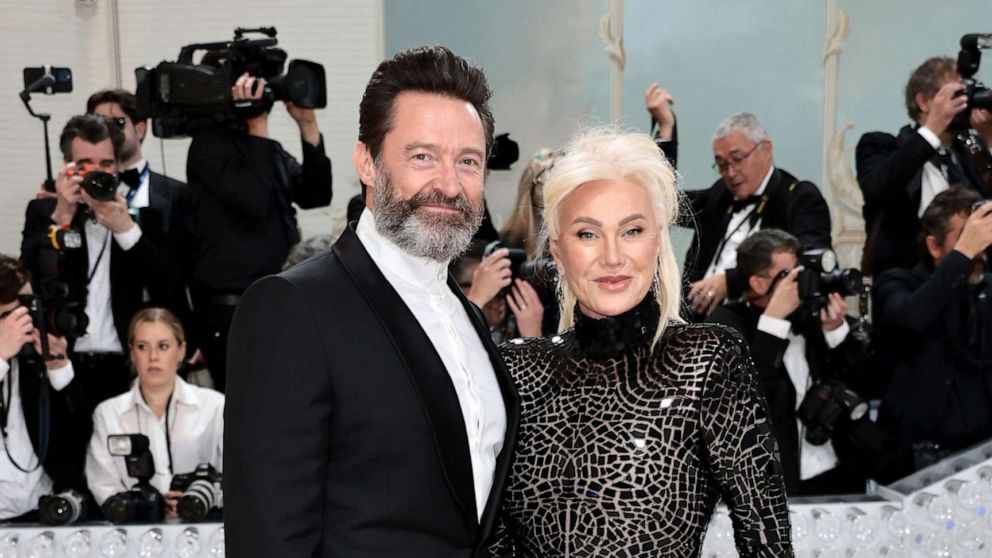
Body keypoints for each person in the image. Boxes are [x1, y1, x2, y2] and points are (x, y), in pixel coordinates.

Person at [224, 45, 519, 557]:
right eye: (422, 156)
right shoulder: (292, 309)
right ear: (367, 161)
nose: (448, 185)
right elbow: (266, 541)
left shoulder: (466, 314)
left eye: (467, 161)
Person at [493, 128, 792, 556]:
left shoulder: (706, 360)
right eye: (587, 234)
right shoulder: (518, 369)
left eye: (631, 230)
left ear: (657, 241)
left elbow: (766, 541)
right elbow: (491, 539)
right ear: (558, 251)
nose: (612, 256)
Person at [185, 70, 333, 392]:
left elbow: (316, 194)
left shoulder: (266, 149)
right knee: (248, 407)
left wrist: (306, 125)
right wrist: (257, 127)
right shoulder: (207, 147)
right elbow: (253, 201)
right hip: (232, 309)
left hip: (278, 296)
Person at [20, 115, 173, 424]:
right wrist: (62, 214)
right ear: (66, 166)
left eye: (105, 164)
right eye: (84, 164)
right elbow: (31, 276)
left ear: (117, 166)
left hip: (125, 366)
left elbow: (166, 286)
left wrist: (125, 229)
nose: (95, 173)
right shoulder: (42, 212)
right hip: (63, 359)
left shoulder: (142, 219)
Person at [707, 230, 870, 495]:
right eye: (789, 276)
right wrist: (773, 322)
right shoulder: (726, 324)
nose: (802, 282)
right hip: (778, 485)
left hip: (835, 470)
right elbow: (746, 400)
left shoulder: (808, 315)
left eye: (801, 272)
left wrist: (835, 329)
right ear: (759, 284)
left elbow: (854, 377)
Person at [649, 99, 832, 320]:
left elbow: (810, 264)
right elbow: (664, 203)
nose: (731, 172)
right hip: (694, 316)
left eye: (737, 159)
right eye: (722, 164)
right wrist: (666, 128)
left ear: (765, 149)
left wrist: (731, 281)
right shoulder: (720, 194)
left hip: (759, 322)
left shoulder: (798, 198)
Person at [875, 188, 992, 474]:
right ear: (934, 246)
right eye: (966, 237)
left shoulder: (987, 288)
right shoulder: (897, 283)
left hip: (983, 457)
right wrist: (963, 254)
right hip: (917, 462)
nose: (980, 250)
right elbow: (911, 318)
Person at [857, 56, 992, 278]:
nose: (963, 104)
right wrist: (933, 129)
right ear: (924, 102)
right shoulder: (882, 145)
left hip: (971, 280)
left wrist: (988, 139)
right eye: (955, 95)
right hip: (908, 283)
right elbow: (877, 188)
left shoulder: (970, 149)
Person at [85, 307, 223, 517]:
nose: (153, 356)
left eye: (163, 346)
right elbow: (102, 484)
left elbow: (235, 477)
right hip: (133, 533)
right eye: (142, 346)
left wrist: (201, 502)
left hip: (205, 527)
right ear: (131, 352)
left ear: (181, 350)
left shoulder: (214, 406)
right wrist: (145, 506)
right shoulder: (108, 413)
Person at [86, 89, 192, 335]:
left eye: (118, 122)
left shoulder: (178, 196)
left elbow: (184, 275)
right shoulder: (77, 194)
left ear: (141, 129)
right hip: (87, 340)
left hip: (149, 338)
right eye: (98, 124)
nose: (107, 131)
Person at [0, 255, 85, 522]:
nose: (23, 322)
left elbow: (80, 435)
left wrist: (59, 367)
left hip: (41, 512)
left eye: (28, 308)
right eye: (10, 315)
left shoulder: (33, 358)